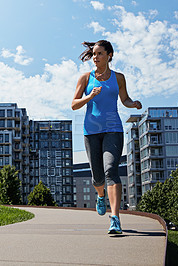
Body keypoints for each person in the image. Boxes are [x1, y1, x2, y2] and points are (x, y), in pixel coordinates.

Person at [71, 40, 142, 234]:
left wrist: (133, 103)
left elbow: (124, 98)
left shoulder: (118, 78)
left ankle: (115, 219)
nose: (95, 57)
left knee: (111, 170)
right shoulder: (86, 78)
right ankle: (100, 196)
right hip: (91, 131)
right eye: (94, 54)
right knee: (97, 177)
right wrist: (89, 96)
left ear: (109, 55)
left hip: (113, 128)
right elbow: (74, 104)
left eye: (100, 53)